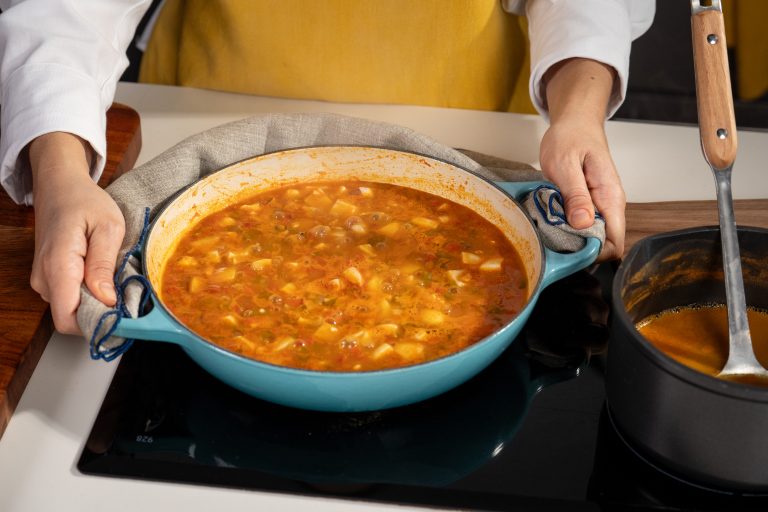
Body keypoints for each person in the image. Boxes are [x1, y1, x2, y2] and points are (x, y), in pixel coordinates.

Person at [0, 0, 655, 335]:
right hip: (208, 112)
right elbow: (68, 8)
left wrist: (579, 109)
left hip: (467, 123)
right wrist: (60, 173)